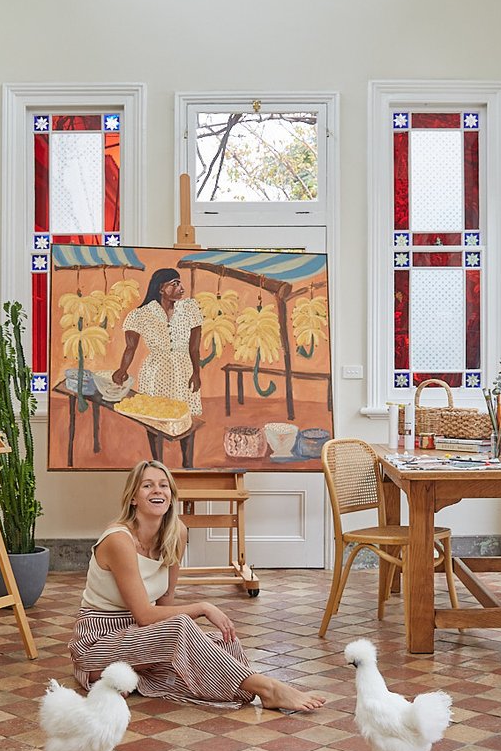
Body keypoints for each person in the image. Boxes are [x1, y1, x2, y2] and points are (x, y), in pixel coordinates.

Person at [69, 459, 326, 711]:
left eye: (164, 485)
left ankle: (245, 688)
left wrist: (175, 648)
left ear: (171, 495)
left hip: (139, 635)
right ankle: (268, 688)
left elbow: (164, 607)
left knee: (223, 643)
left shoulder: (176, 533)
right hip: (99, 639)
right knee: (183, 626)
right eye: (147, 485)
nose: (157, 490)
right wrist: (203, 607)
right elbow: (146, 615)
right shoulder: (118, 540)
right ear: (133, 497)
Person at [111, 269, 204, 416]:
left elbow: (194, 348)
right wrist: (122, 370)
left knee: (185, 418)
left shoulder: (190, 309)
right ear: (161, 288)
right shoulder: (140, 315)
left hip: (183, 372)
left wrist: (196, 373)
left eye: (180, 283)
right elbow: (130, 347)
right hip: (155, 373)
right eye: (175, 284)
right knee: (154, 415)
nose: (181, 288)